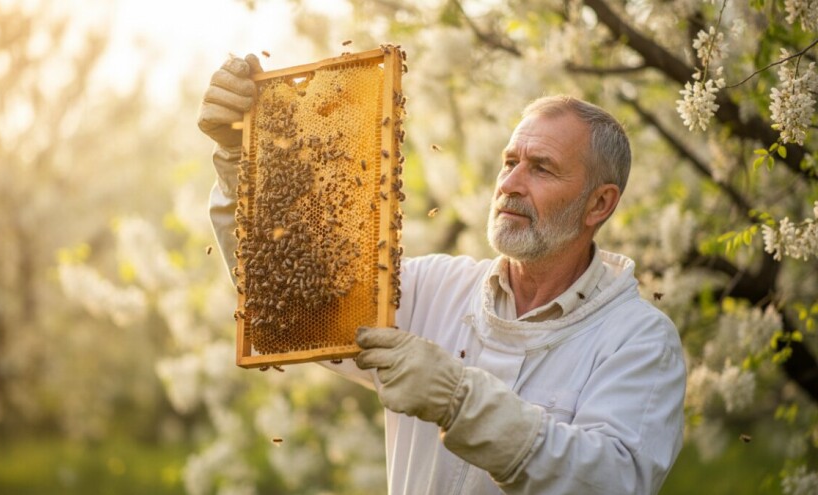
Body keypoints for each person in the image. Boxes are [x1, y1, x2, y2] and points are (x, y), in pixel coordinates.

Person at [199, 53, 686, 495]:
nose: (511, 184)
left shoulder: (638, 340)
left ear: (599, 204)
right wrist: (244, 159)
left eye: (541, 168)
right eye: (510, 162)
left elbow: (611, 480)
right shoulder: (433, 288)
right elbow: (296, 300)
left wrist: (460, 400)